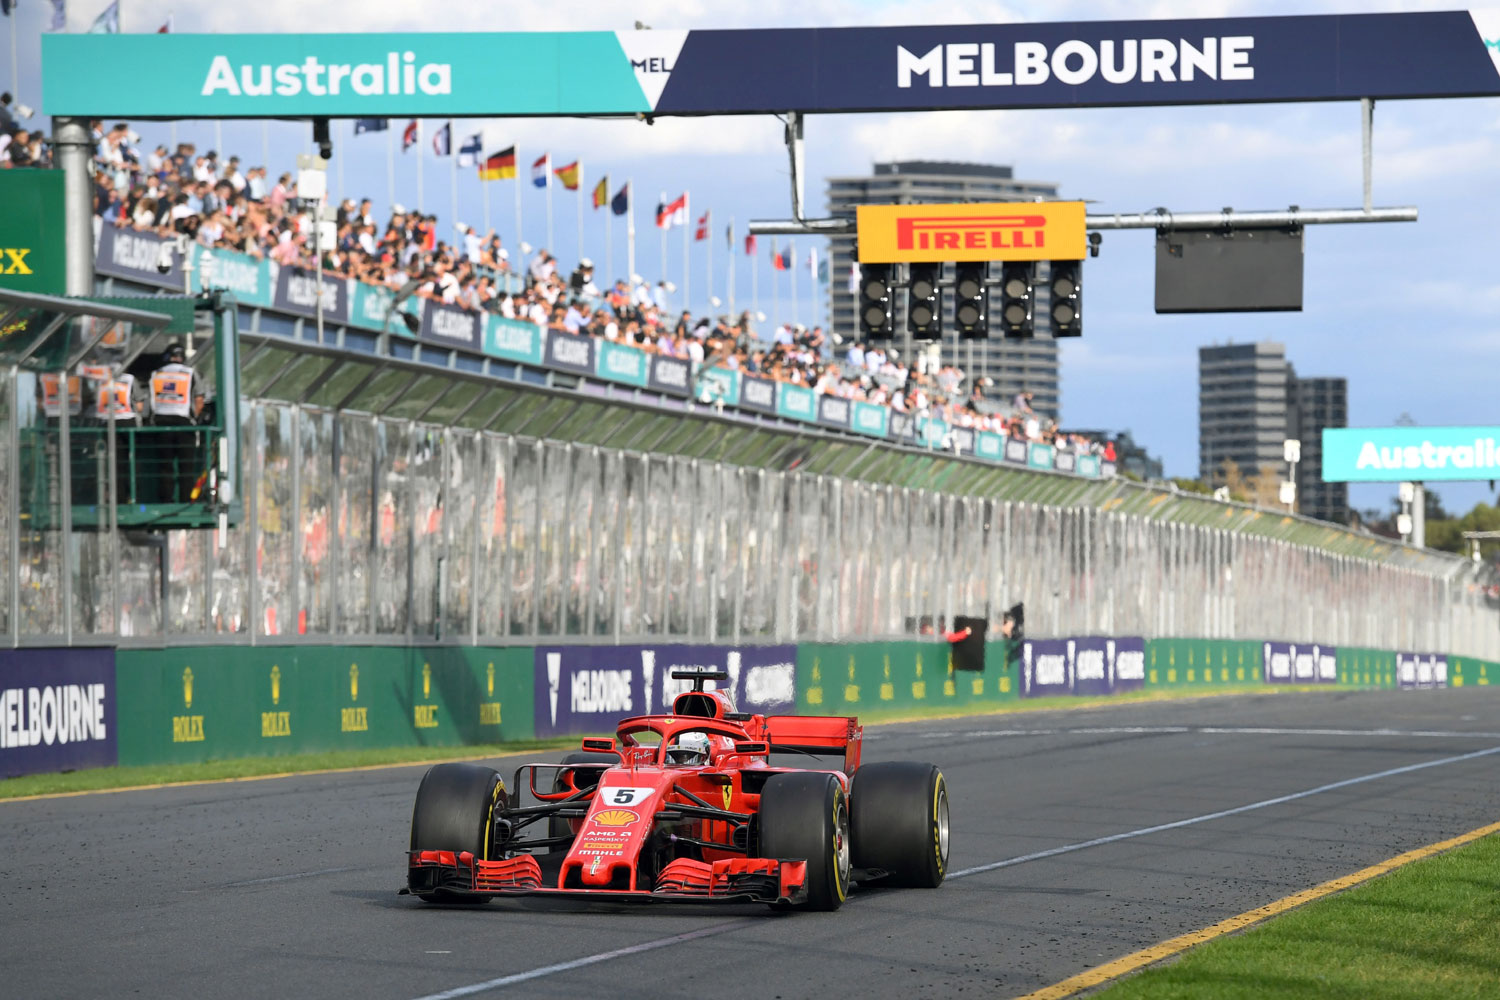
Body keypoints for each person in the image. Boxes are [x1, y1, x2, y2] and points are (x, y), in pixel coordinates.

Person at [147, 343, 205, 503]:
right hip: (184, 424)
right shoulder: (190, 373)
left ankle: (166, 500)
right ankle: (186, 499)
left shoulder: (156, 374)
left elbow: (148, 404)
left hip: (161, 424)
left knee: (165, 466)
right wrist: (195, 417)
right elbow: (199, 399)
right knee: (186, 467)